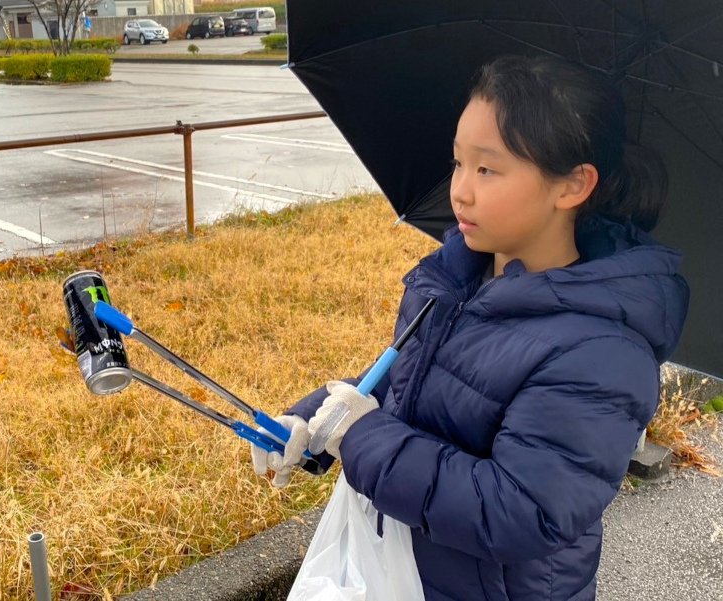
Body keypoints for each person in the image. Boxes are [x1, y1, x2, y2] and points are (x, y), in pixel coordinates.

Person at [251, 54, 690, 600]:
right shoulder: (458, 278)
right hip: (413, 574)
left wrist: (360, 436)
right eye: (458, 163)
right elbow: (408, 383)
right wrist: (318, 418)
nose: (460, 190)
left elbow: (518, 512)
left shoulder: (601, 351)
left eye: (487, 169)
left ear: (573, 185)